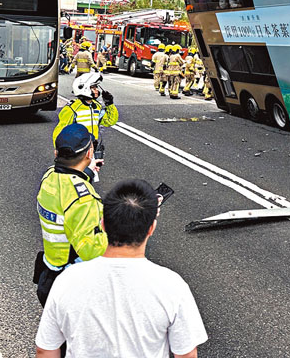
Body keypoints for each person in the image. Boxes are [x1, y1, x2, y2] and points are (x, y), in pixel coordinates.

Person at [35, 179, 208, 358]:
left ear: (102, 224)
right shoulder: (172, 286)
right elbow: (186, 354)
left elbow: (45, 350)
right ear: (151, 228)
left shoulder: (67, 280)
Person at [34, 123, 107, 309]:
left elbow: (65, 179)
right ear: (89, 154)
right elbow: (90, 251)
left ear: (56, 153)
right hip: (72, 283)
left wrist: (88, 171)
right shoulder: (83, 200)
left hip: (49, 274)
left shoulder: (49, 177)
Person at [53, 72, 118, 178]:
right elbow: (60, 131)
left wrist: (109, 104)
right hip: (77, 150)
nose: (97, 90)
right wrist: (60, 152)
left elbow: (110, 121)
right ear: (84, 88)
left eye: (96, 87)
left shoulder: (96, 106)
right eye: (94, 87)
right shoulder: (72, 109)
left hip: (91, 149)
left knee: (90, 176)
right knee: (76, 177)